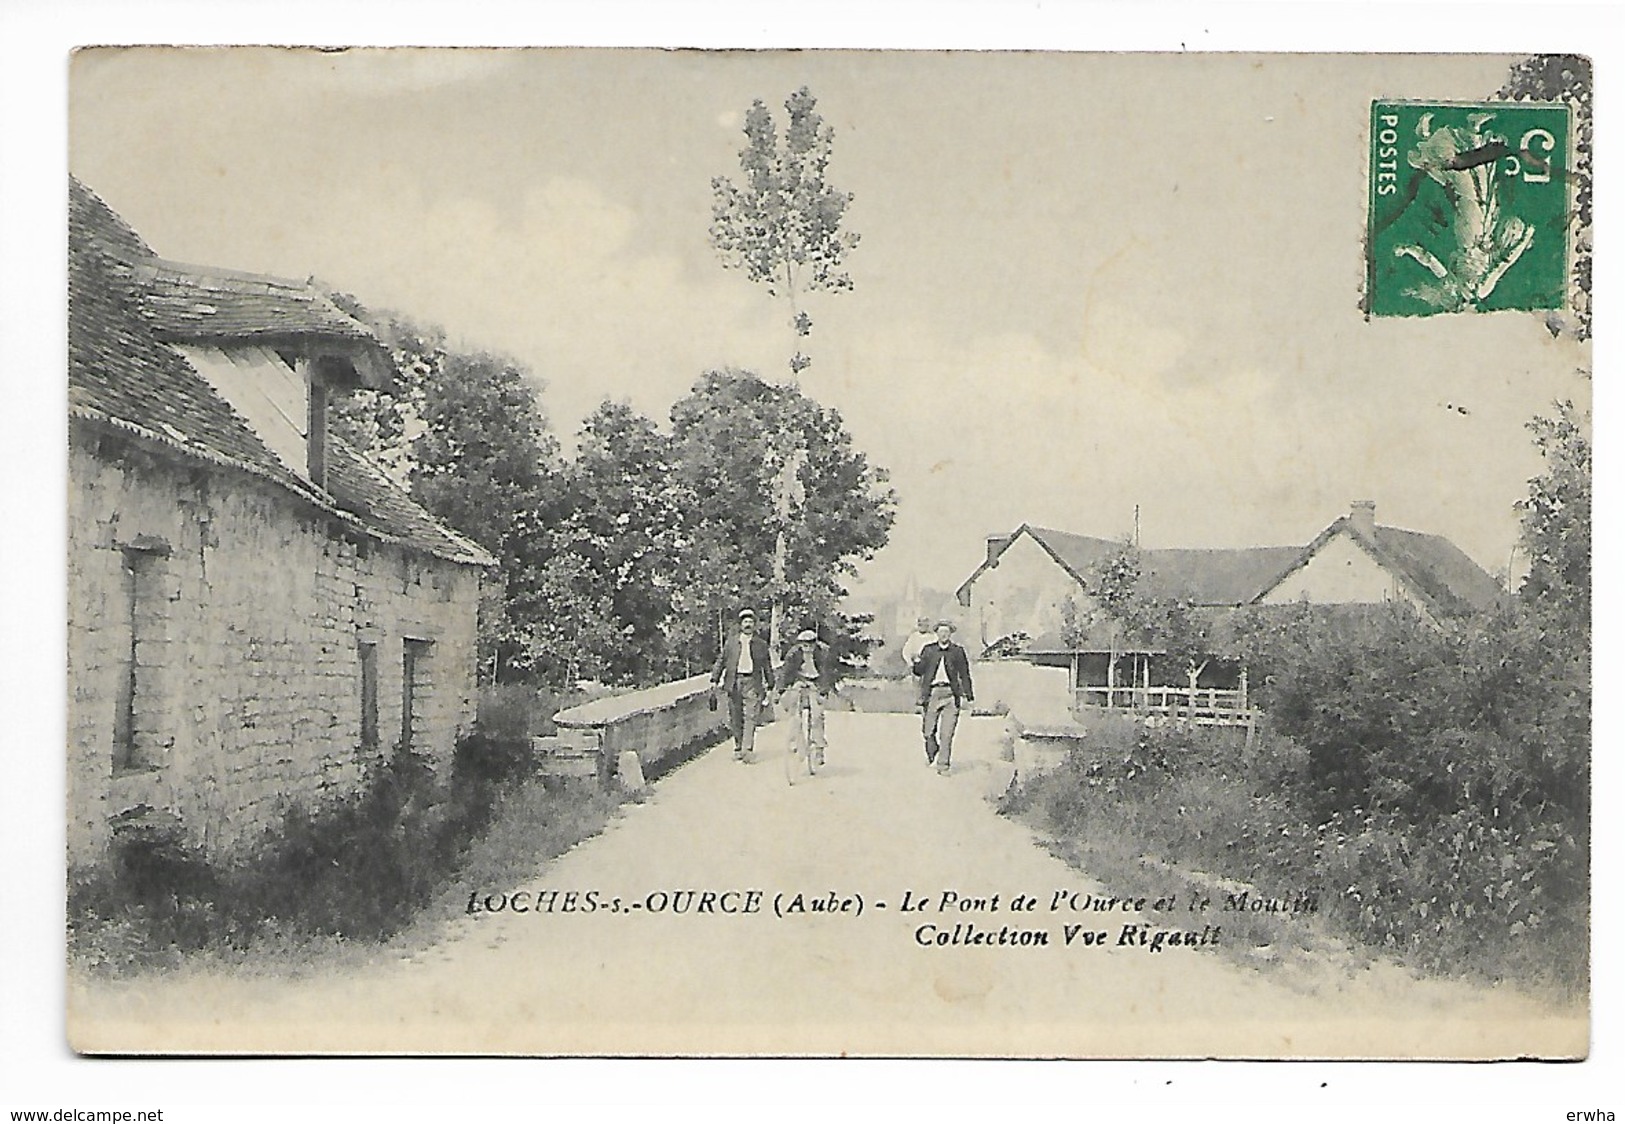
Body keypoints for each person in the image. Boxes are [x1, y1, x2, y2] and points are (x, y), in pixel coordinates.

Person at [912, 618, 974, 775]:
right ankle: (933, 751)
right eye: (941, 632)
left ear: (951, 634)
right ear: (936, 634)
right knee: (927, 731)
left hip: (951, 695)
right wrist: (916, 662)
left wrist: (969, 696)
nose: (944, 635)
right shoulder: (928, 650)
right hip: (932, 694)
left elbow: (965, 674)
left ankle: (943, 765)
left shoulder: (958, 651)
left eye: (947, 632)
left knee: (947, 734)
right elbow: (919, 671)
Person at [711, 607, 772, 763]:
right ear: (740, 624)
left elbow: (767, 666)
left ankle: (747, 750)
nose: (748, 624)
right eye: (745, 621)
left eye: (751, 621)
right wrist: (714, 679)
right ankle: (738, 747)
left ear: (754, 624)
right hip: (733, 682)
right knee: (735, 717)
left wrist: (771, 685)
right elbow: (721, 661)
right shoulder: (731, 642)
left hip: (752, 682)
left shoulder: (761, 644)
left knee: (751, 716)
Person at [777, 622, 837, 767]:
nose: (807, 647)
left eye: (810, 643)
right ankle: (796, 742)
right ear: (799, 644)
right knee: (793, 711)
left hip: (816, 683)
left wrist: (823, 691)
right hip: (799, 681)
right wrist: (780, 691)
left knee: (817, 715)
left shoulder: (823, 653)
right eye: (804, 644)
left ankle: (819, 748)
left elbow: (826, 673)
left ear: (815, 643)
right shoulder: (793, 654)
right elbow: (786, 673)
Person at [900, 615, 935, 701]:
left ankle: (927, 702)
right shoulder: (914, 637)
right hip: (917, 663)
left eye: (925, 624)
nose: (922, 626)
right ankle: (919, 703)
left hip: (929, 665)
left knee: (929, 685)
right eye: (920, 624)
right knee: (917, 685)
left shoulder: (933, 637)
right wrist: (910, 663)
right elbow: (906, 651)